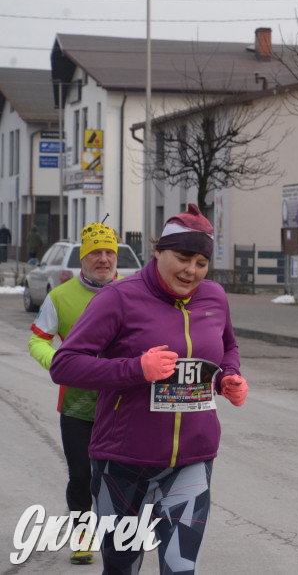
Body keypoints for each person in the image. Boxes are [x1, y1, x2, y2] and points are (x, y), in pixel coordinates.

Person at [50, 204, 249, 575]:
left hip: (192, 458)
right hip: (124, 463)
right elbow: (65, 363)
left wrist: (228, 378)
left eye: (201, 262)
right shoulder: (119, 298)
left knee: (180, 568)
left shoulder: (214, 298)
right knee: (122, 569)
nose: (191, 270)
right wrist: (136, 368)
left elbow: (228, 346)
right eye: (183, 257)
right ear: (158, 253)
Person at [28, 222, 121, 565]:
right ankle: (82, 538)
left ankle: (120, 538)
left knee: (119, 477)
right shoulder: (61, 297)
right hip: (77, 405)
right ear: (82, 258)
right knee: (82, 475)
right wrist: (59, 363)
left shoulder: (132, 292)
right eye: (95, 252)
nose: (103, 259)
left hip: (123, 404)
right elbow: (37, 338)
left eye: (109, 252)